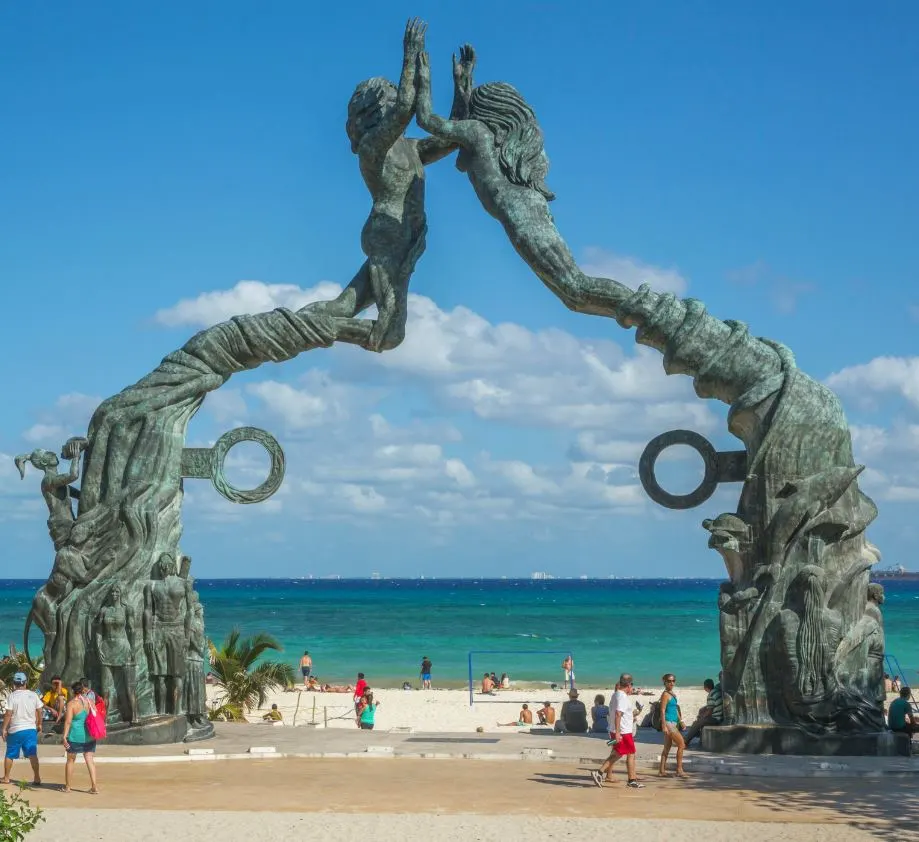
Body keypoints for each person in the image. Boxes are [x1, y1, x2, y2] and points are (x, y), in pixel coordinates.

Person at [305, 20, 473, 353]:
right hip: (388, 237)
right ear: (373, 111)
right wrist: (410, 56)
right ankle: (309, 330)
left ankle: (299, 324)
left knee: (341, 307)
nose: (396, 105)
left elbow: (452, 136)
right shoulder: (372, 149)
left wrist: (461, 86)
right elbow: (405, 110)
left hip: (403, 239)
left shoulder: (411, 148)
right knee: (391, 333)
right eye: (389, 102)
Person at [592, 672, 644, 789]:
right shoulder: (622, 697)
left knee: (618, 753)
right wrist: (618, 732)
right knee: (629, 753)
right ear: (629, 685)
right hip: (623, 731)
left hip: (619, 729)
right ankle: (631, 780)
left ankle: (600, 773)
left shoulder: (616, 695)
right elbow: (618, 714)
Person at [1, 672, 43, 786]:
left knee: (10, 754)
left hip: (15, 730)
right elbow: (40, 710)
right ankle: (37, 777)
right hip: (30, 729)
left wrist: (4, 729)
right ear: (25, 682)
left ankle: (6, 778)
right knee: (32, 754)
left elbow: (8, 714)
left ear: (14, 683)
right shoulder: (33, 695)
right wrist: (39, 724)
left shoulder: (12, 696)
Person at [62, 681, 99, 794]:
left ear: (73, 691)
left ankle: (68, 787)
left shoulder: (71, 704)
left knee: (70, 760)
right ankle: (94, 787)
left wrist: (64, 737)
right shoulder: (90, 701)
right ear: (83, 690)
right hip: (89, 736)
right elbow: (95, 715)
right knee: (90, 760)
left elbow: (68, 722)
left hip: (75, 736)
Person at [658, 673, 687, 777]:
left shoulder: (672, 694)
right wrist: (663, 725)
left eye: (673, 681)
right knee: (682, 745)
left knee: (667, 747)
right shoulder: (665, 694)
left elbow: (675, 709)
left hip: (673, 722)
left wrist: (681, 721)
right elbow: (662, 710)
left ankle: (661, 771)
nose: (671, 683)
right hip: (669, 723)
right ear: (665, 682)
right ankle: (679, 770)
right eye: (669, 681)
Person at [684, 678, 724, 746]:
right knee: (697, 722)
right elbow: (711, 706)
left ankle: (685, 741)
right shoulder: (716, 691)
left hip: (716, 718)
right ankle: (692, 735)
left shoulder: (711, 695)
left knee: (697, 723)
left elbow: (710, 711)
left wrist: (703, 717)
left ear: (705, 687)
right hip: (720, 716)